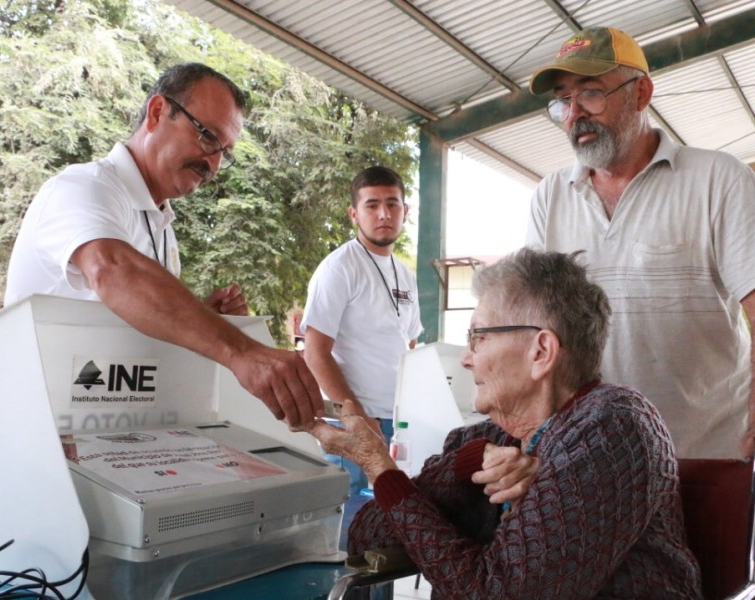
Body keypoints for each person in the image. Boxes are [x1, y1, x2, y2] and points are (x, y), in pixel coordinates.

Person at [311, 248, 701, 599]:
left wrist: (380, 466)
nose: (466, 358)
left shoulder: (614, 427)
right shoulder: (490, 437)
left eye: (478, 337)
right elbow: (367, 536)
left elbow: (497, 593)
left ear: (541, 351)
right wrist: (467, 464)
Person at [3, 62, 323, 429]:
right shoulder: (83, 187)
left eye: (225, 152)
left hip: (103, 430)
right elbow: (114, 272)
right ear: (157, 112)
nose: (213, 165)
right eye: (207, 136)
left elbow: (134, 315)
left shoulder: (161, 223)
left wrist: (202, 315)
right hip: (31, 434)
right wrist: (243, 352)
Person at [526, 27, 755, 459]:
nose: (575, 114)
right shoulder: (550, 196)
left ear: (641, 92)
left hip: (708, 452)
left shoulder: (719, 179)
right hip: (590, 460)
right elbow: (535, 327)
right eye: (563, 100)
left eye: (591, 93)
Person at [300, 165, 423, 496]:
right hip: (350, 422)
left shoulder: (405, 274)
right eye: (372, 205)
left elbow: (408, 343)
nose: (384, 213)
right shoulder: (339, 268)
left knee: (384, 520)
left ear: (405, 210)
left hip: (396, 424)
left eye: (392, 203)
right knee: (346, 520)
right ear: (354, 214)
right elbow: (315, 352)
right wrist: (358, 418)